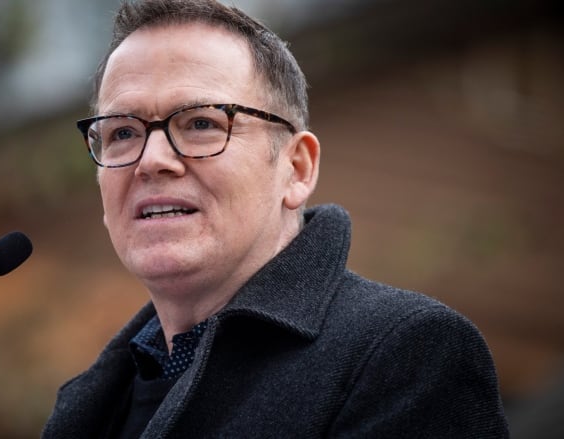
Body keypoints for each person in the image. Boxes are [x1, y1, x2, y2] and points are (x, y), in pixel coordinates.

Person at [43, 0, 509, 437]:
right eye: (123, 132)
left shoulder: (406, 355)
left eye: (201, 123)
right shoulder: (91, 400)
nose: (152, 160)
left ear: (297, 168)